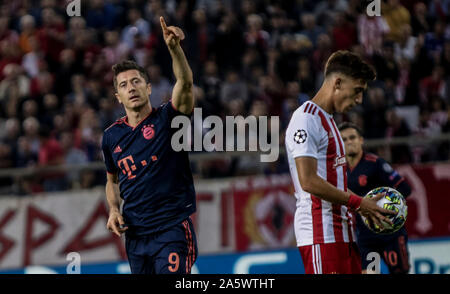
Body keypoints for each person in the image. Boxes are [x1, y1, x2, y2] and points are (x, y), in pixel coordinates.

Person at [285, 50, 396, 274]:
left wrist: (363, 204)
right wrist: (358, 203)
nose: (359, 100)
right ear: (337, 82)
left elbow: (331, 184)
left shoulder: (330, 121)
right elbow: (308, 181)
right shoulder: (305, 119)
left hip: (342, 234)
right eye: (357, 91)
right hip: (321, 235)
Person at [101, 17, 197, 274]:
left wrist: (175, 49)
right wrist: (112, 209)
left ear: (148, 87)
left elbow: (185, 83)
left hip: (171, 229)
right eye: (123, 85)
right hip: (135, 236)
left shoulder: (169, 118)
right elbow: (112, 181)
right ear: (117, 96)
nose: (130, 88)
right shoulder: (111, 137)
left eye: (136, 81)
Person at [338, 122, 411, 274]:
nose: (349, 142)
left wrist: (387, 205)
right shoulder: (339, 170)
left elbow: (404, 188)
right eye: (344, 139)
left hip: (390, 233)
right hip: (365, 236)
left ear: (361, 140)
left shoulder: (375, 163)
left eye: (352, 137)